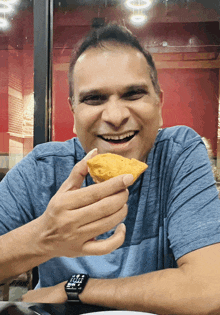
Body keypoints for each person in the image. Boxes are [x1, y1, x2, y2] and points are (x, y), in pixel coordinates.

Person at [1, 23, 220, 314]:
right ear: (74, 111)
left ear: (159, 103)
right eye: (94, 98)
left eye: (133, 94)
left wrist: (74, 289)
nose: (115, 116)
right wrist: (42, 237)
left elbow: (209, 292)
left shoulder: (178, 153)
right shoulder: (42, 169)